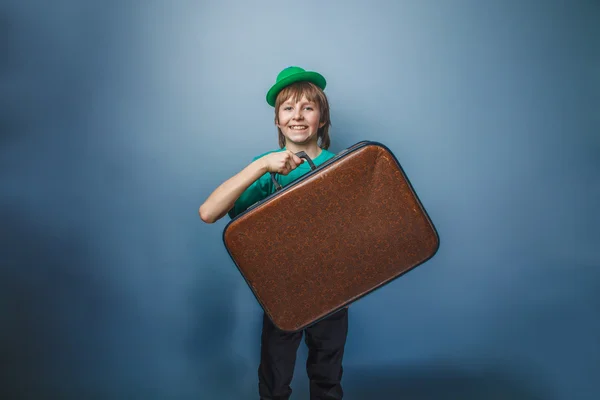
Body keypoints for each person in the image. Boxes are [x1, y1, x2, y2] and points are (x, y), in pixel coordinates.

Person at [199, 66, 348, 400]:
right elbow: (209, 212)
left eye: (308, 107)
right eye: (288, 108)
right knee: (275, 380)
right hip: (282, 291)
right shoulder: (268, 170)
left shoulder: (341, 166)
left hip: (334, 288)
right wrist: (262, 165)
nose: (298, 116)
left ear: (321, 119)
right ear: (278, 121)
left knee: (327, 378)